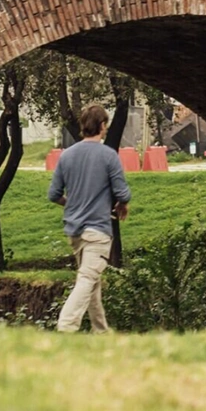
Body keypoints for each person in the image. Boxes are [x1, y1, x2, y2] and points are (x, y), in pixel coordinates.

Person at [48, 104, 132, 333]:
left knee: (92, 283)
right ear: (103, 126)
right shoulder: (108, 155)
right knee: (87, 279)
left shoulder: (67, 155)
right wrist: (122, 205)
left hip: (74, 232)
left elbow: (54, 195)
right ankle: (66, 326)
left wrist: (72, 203)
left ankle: (101, 332)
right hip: (98, 231)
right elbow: (123, 193)